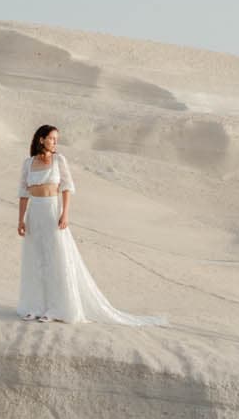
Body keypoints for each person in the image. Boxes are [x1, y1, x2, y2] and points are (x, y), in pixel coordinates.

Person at [16, 124, 164, 326]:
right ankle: (35, 306)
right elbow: (24, 193)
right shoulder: (28, 163)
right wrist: (21, 219)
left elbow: (67, 188)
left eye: (56, 139)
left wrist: (65, 213)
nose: (55, 142)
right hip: (35, 214)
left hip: (52, 211)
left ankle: (55, 308)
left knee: (55, 259)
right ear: (41, 139)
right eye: (52, 138)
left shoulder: (59, 160)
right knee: (36, 259)